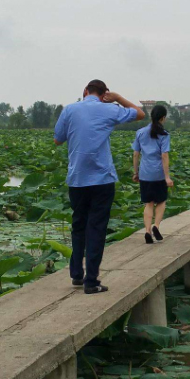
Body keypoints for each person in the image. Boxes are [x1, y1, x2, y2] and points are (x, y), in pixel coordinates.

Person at [52, 80, 144, 294]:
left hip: (77, 179)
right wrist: (118, 98)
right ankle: (91, 281)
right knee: (96, 228)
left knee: (79, 225)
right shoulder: (110, 109)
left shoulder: (70, 110)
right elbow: (139, 114)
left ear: (85, 91)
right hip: (102, 179)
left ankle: (76, 274)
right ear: (105, 94)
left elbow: (57, 140)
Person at [132, 104, 173, 244]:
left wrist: (135, 172)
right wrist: (167, 177)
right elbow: (164, 156)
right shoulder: (164, 134)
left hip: (145, 172)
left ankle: (148, 230)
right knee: (161, 201)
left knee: (148, 203)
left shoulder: (140, 132)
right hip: (159, 174)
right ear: (163, 118)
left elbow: (136, 154)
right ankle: (156, 226)